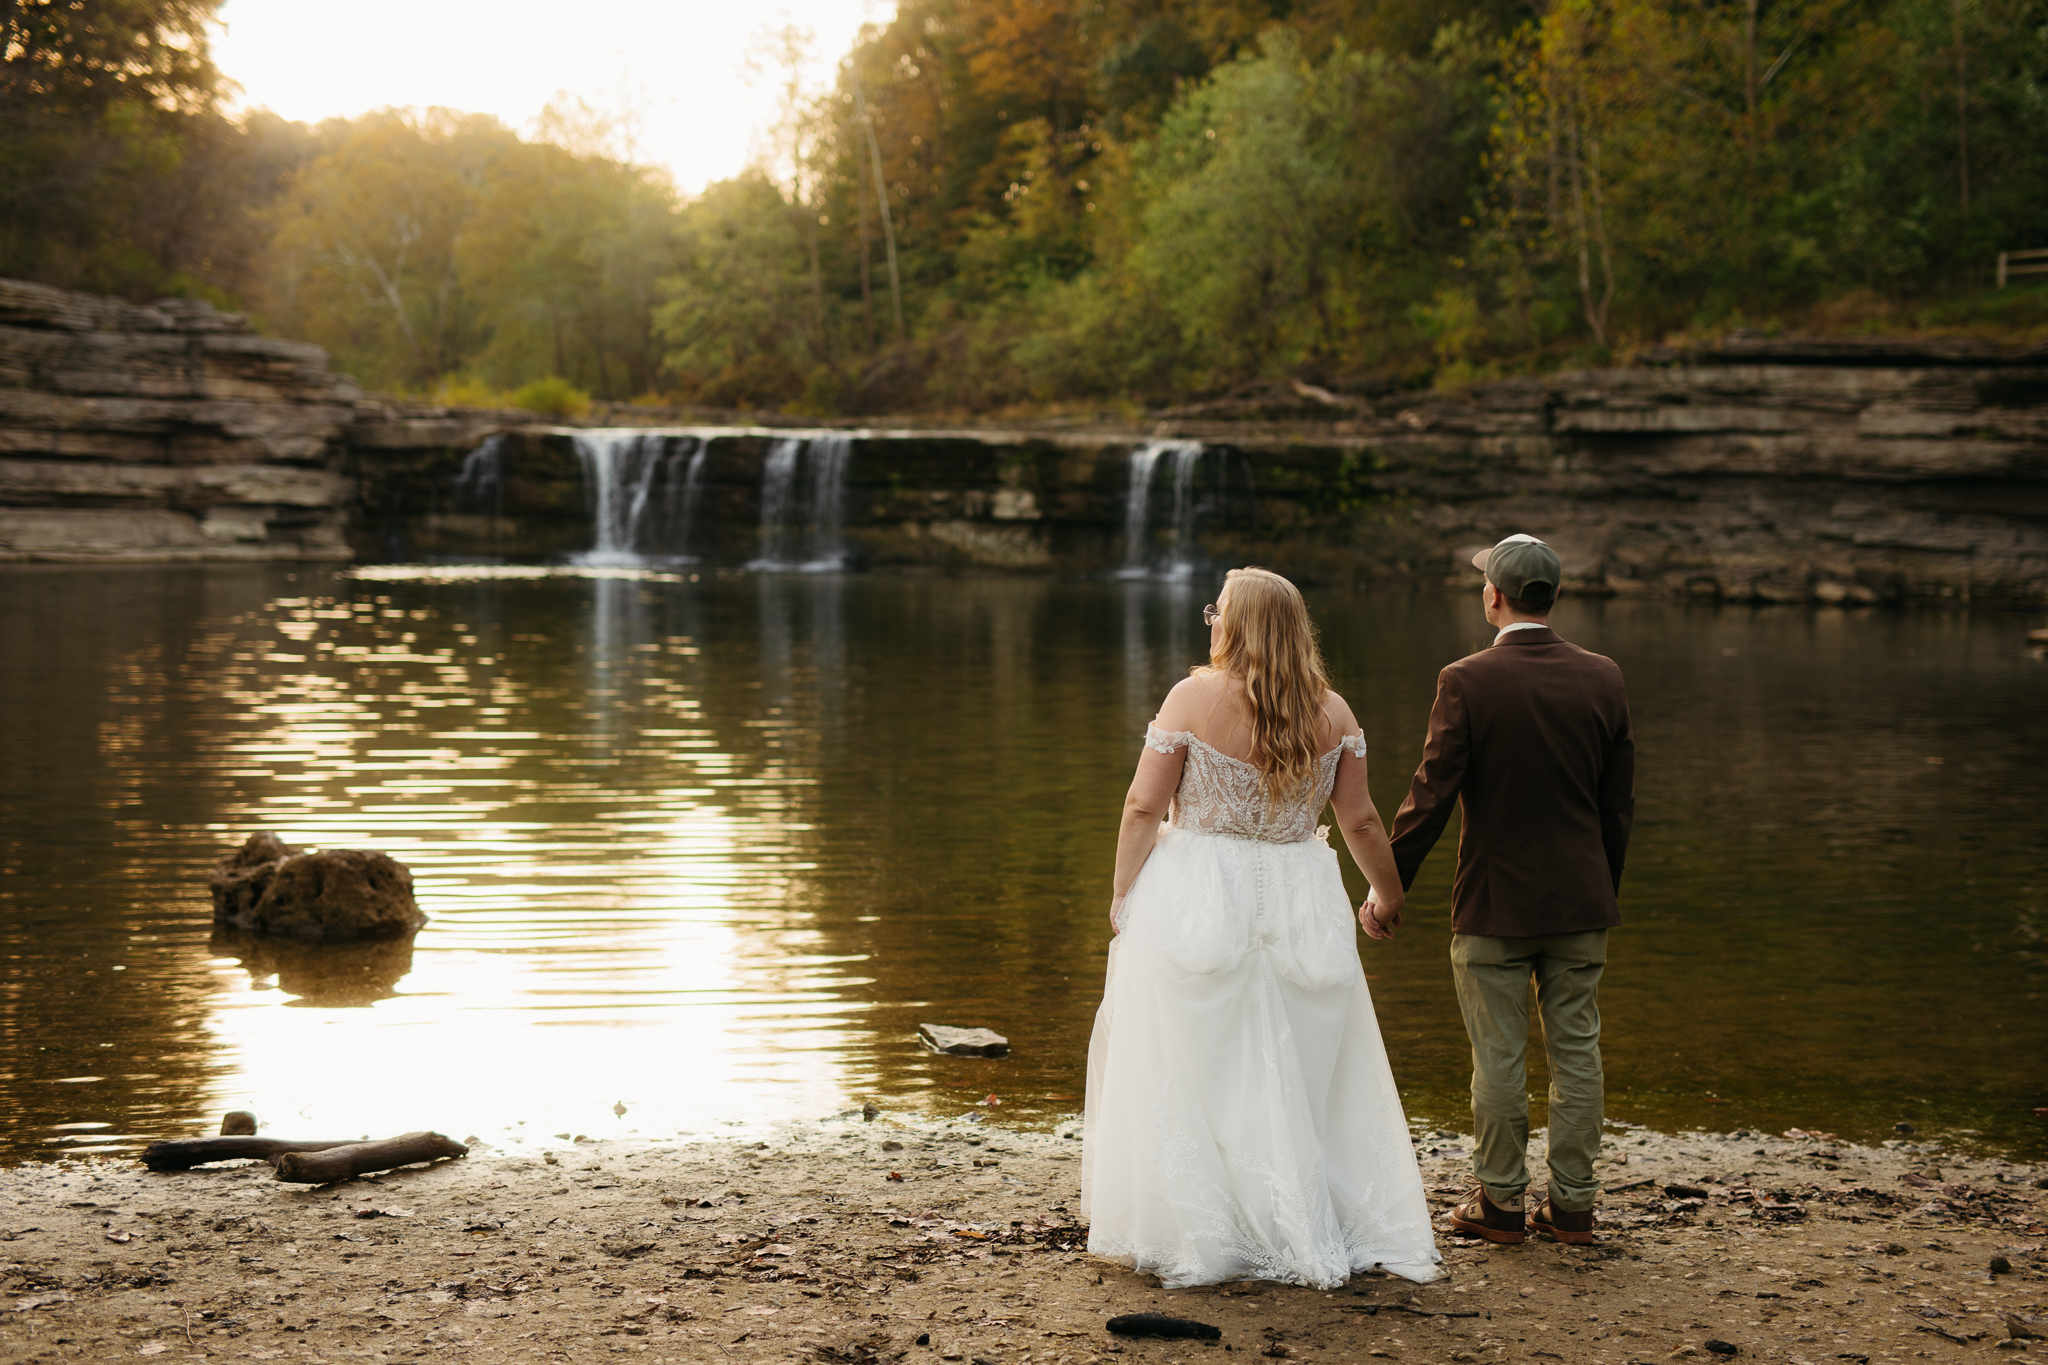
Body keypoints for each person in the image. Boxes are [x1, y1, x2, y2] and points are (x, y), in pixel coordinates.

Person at [1082, 567, 1440, 1289]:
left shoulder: (1192, 696)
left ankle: (1210, 1224)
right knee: (1303, 1066)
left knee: (1196, 1061)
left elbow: (1143, 808)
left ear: (1235, 623)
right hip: (1300, 892)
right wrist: (1386, 894)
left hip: (1197, 890)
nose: (1209, 619)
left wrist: (1123, 893)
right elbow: (1361, 819)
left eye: (1217, 608)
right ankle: (1307, 1214)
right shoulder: (1333, 712)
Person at [1376, 533, 1635, 1247]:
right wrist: (1599, 889)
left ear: (1494, 596)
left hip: (1494, 903)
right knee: (1577, 1049)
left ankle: (1500, 1203)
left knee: (1498, 1054)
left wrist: (1386, 888)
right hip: (1581, 900)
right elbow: (1618, 805)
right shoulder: (1605, 676)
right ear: (1553, 598)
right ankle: (1575, 1208)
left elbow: (1430, 796)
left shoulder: (1466, 679)